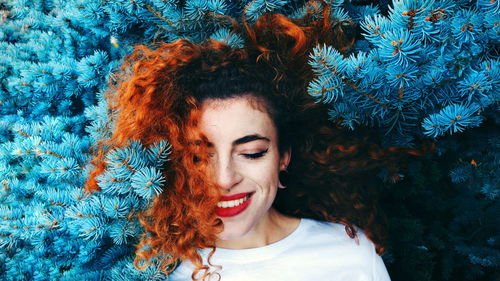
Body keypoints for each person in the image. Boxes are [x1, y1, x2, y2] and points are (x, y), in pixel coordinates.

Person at [86, 3, 411, 280]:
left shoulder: (349, 256)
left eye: (252, 153)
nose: (225, 179)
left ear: (283, 156)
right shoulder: (163, 269)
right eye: (199, 157)